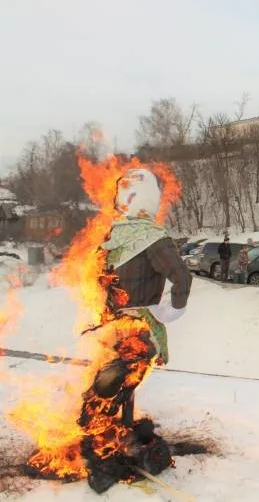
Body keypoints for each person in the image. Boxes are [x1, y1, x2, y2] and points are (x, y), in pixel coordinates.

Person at [85, 168, 192, 492]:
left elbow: (101, 281)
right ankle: (114, 444)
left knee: (111, 387)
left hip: (119, 328)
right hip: (135, 330)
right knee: (117, 387)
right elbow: (181, 277)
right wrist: (173, 309)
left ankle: (113, 440)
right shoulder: (150, 238)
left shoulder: (113, 237)